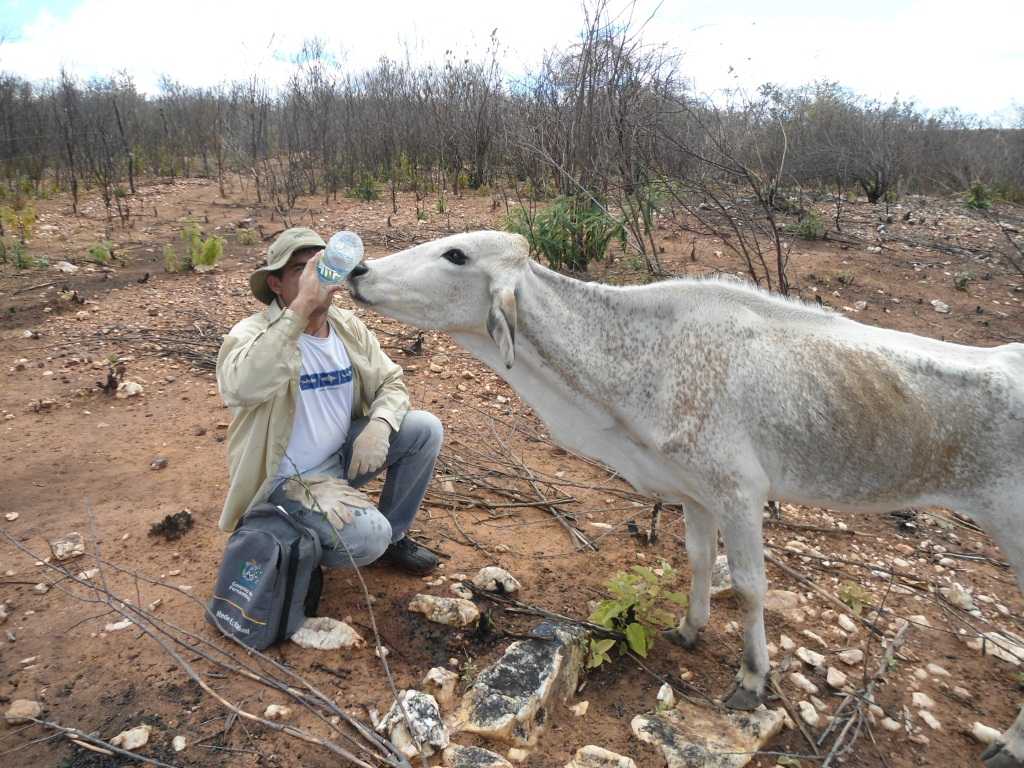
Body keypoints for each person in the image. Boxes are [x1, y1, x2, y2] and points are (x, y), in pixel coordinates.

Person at [216, 227, 442, 575]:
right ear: (275, 285)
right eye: (301, 270)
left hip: (341, 456)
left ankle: (395, 538)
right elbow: (244, 388)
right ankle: (288, 543)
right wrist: (302, 306)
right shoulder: (250, 334)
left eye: (320, 266)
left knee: (424, 428)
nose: (316, 277)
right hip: (288, 479)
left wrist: (379, 427)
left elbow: (391, 381)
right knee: (368, 538)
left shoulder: (345, 326)